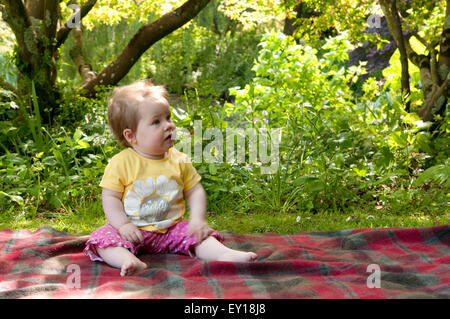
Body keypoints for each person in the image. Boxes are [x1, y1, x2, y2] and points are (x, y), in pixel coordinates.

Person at [83, 80, 257, 276]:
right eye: (156, 122)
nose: (168, 126)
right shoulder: (121, 163)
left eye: (168, 117)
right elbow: (110, 197)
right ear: (131, 136)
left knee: (198, 235)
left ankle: (225, 254)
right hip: (133, 231)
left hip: (172, 229)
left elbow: (195, 190)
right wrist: (123, 225)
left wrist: (197, 220)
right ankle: (128, 260)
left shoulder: (179, 160)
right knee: (101, 238)